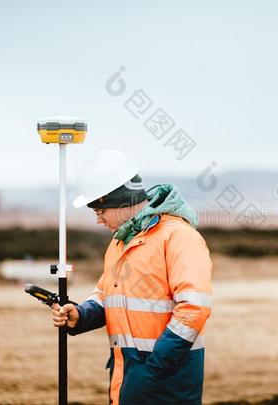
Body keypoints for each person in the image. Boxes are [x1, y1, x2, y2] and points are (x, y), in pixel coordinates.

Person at [51, 150, 213, 405]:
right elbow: (108, 294)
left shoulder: (179, 237)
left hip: (169, 380)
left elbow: (193, 309)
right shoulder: (120, 241)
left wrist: (152, 371)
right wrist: (81, 315)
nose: (98, 220)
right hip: (127, 369)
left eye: (99, 210)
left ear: (119, 200)